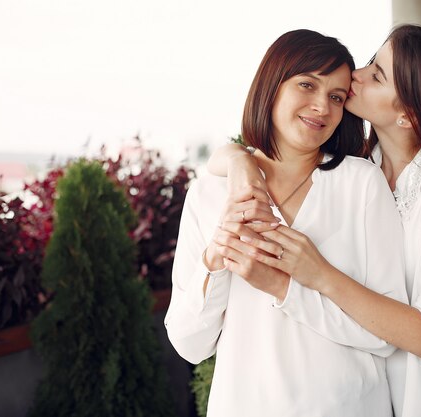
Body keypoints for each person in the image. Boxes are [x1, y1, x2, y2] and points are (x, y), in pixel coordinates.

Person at [207, 24, 421, 417]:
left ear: (408, 116)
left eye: (376, 75)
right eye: (369, 63)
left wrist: (318, 274)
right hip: (370, 392)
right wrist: (240, 161)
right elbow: (222, 158)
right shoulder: (362, 170)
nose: (356, 76)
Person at [165, 29, 407, 417]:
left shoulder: (360, 183)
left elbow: (386, 334)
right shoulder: (211, 193)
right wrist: (217, 257)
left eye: (336, 97)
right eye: (306, 85)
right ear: (271, 86)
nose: (321, 107)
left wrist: (286, 288)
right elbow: (190, 344)